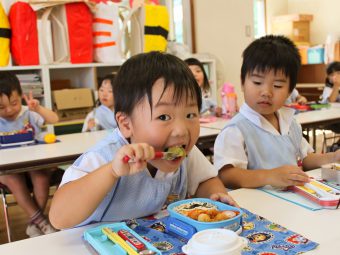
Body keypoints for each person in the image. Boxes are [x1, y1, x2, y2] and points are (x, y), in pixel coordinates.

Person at [49, 51, 236, 229]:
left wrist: (214, 196)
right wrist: (112, 172)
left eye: (190, 114)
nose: (181, 131)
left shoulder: (186, 153)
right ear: (126, 124)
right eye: (164, 117)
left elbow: (205, 181)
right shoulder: (104, 157)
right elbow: (59, 217)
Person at [214, 35, 340, 189]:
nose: (266, 92)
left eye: (278, 85)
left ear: (289, 91)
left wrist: (333, 157)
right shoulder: (236, 130)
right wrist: (269, 176)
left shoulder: (290, 124)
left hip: (290, 204)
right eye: (257, 82)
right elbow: (227, 175)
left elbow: (306, 158)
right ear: (242, 83)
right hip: (256, 208)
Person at [0, 72, 59, 237]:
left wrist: (38, 108)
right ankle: (41, 222)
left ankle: (35, 224)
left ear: (20, 96)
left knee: (41, 177)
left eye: (14, 103)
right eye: (1, 107)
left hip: (33, 164)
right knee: (13, 179)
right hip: (7, 170)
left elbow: (54, 119)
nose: (9, 110)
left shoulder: (28, 113)